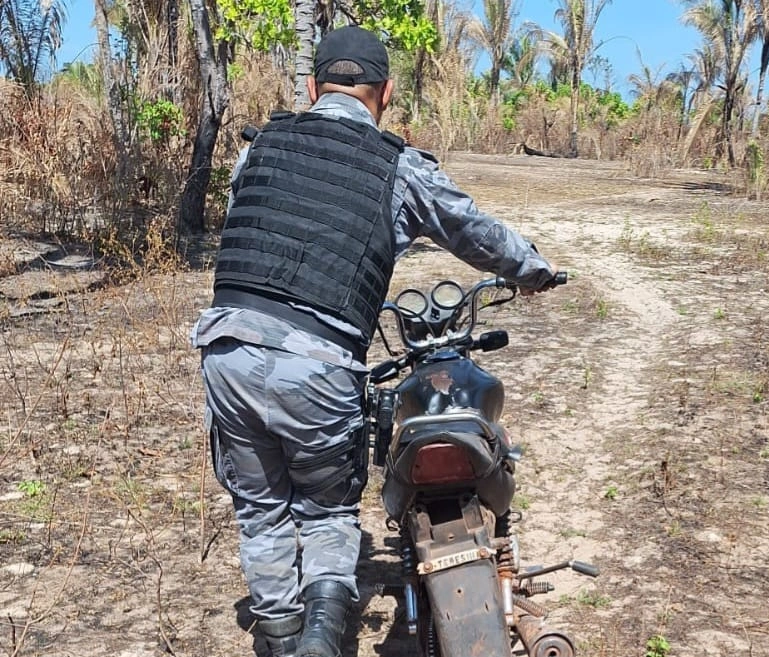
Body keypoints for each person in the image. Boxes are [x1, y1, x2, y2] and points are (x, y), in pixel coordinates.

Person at [191, 24, 557, 657]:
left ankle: (279, 638)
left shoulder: (260, 147)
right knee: (328, 513)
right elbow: (471, 229)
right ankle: (322, 644)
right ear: (384, 93)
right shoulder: (397, 165)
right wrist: (532, 271)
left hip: (226, 349)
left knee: (260, 508)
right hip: (315, 362)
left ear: (312, 87)